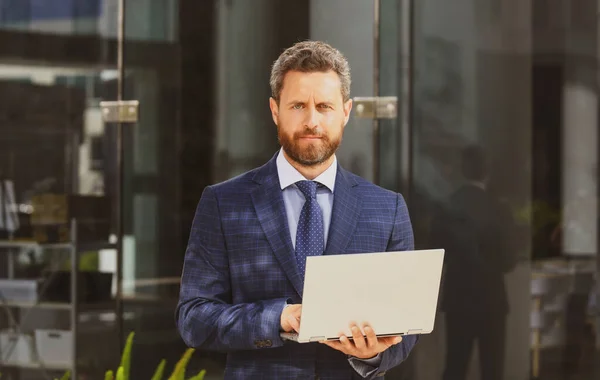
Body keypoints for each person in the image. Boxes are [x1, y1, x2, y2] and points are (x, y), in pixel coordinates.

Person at [176, 40, 418, 379]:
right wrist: (279, 318)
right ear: (275, 111)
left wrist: (373, 355)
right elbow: (194, 319)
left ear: (346, 111)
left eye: (324, 106)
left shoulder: (387, 208)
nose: (312, 121)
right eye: (298, 106)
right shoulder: (223, 203)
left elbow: (407, 327)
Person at [431, 144, 517, 380]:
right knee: (492, 369)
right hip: (492, 300)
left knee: (455, 366)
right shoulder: (499, 208)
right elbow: (510, 260)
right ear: (487, 170)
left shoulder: (449, 205)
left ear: (463, 169)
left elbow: (437, 252)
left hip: (459, 299)